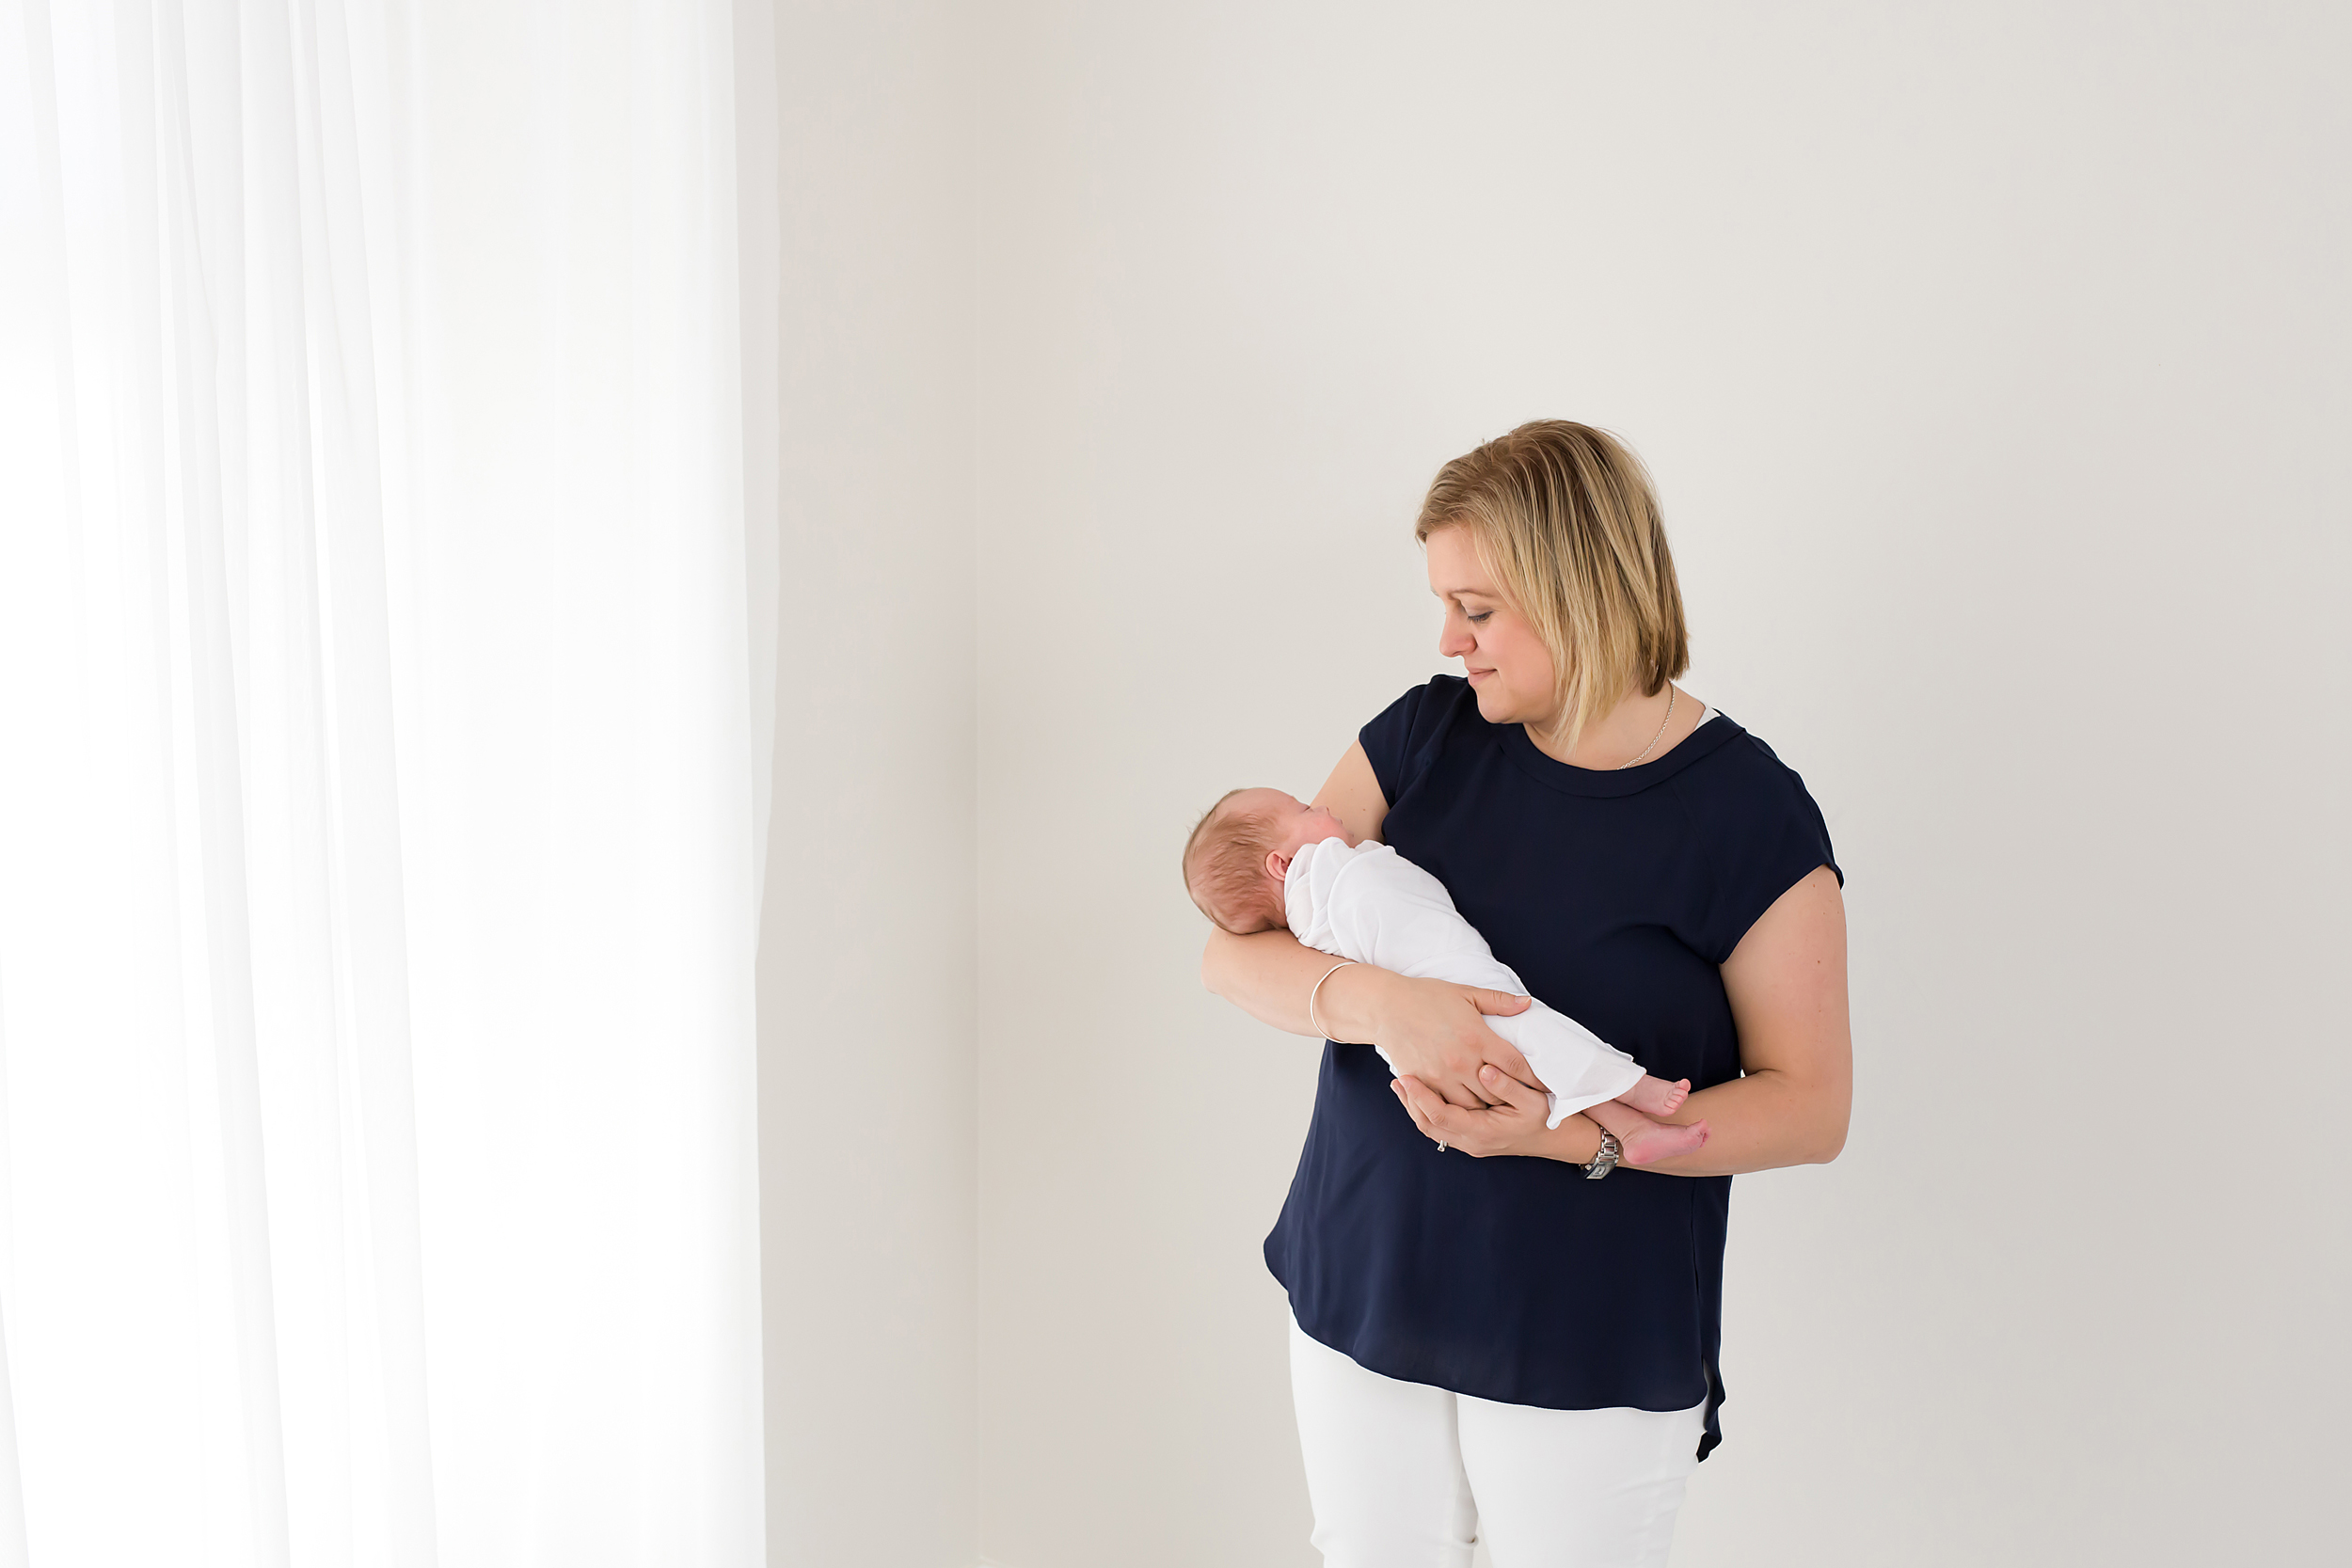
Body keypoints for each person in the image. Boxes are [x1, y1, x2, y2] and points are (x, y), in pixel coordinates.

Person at [1200, 420, 1849, 1568]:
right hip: (1364, 1274)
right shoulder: (1423, 738)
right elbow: (1236, 950)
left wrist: (1573, 1139)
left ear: (1581, 588)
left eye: (1479, 608)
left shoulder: (1748, 816)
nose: (1449, 640)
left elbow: (1808, 1107)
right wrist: (1384, 1005)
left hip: (1583, 1329)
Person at [1180, 786, 1708, 1166]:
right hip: (1452, 987)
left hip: (1440, 1014)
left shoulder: (1310, 914)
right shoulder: (1326, 882)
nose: (1321, 804)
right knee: (1534, 1036)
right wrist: (1389, 1005)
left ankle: (1630, 1126)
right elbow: (1218, 962)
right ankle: (1634, 1091)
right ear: (1281, 864)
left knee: (1537, 1057)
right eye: (1302, 808)